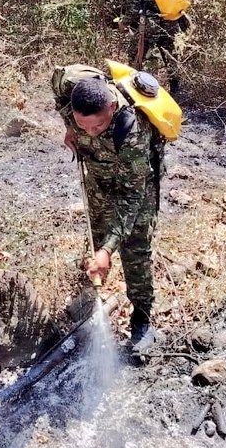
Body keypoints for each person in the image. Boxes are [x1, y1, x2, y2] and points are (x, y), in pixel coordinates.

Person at [51, 65, 164, 356]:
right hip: (98, 178)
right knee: (96, 236)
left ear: (112, 108)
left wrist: (110, 248)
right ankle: (93, 288)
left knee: (135, 249)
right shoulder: (71, 88)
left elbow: (131, 198)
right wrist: (68, 128)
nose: (89, 130)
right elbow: (57, 79)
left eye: (97, 126)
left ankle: (142, 319)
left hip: (136, 185)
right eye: (82, 124)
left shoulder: (132, 133)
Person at [119, 0, 182, 89]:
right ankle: (176, 90)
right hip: (172, 21)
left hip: (151, 25)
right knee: (171, 55)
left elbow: (132, 13)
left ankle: (138, 88)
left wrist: (123, 23)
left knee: (135, 54)